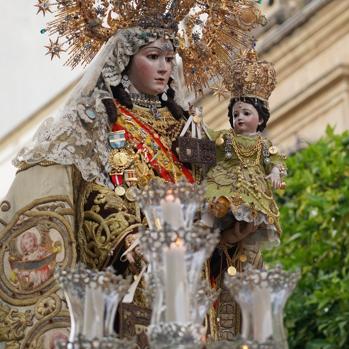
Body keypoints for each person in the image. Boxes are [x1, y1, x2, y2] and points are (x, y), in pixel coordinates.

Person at [0, 2, 266, 348]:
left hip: (197, 285)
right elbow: (92, 188)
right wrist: (128, 235)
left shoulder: (187, 130)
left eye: (169, 59)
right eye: (153, 56)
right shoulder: (100, 121)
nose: (164, 68)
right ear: (126, 59)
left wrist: (229, 235)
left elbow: (207, 205)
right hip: (138, 280)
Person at [204, 49, 287, 339]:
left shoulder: (264, 145)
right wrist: (194, 119)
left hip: (254, 192)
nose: (240, 118)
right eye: (236, 113)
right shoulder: (227, 139)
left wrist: (276, 174)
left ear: (260, 119)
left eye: (246, 113)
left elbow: (277, 162)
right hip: (227, 186)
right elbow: (209, 139)